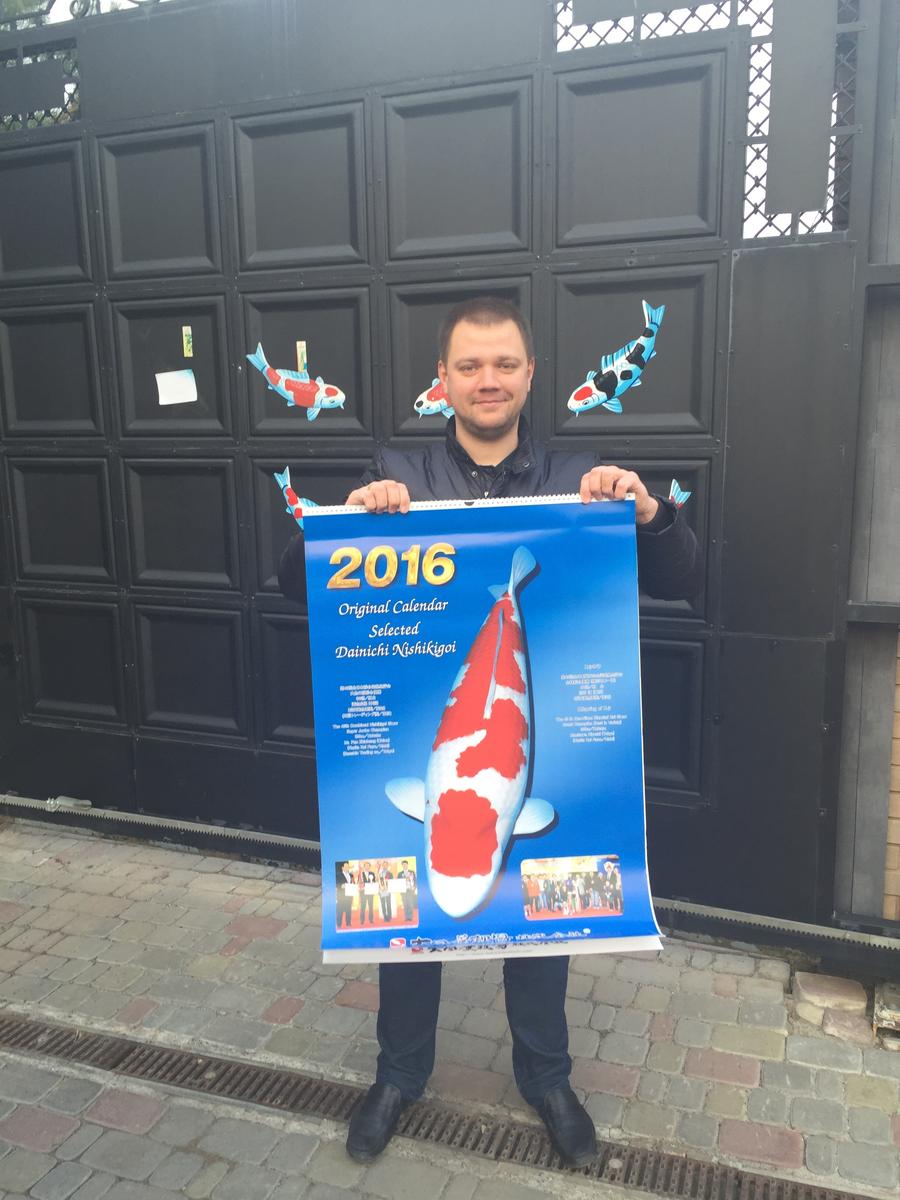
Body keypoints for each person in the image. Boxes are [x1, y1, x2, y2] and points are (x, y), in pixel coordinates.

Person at [278, 296, 701, 1168]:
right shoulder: (395, 470)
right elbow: (297, 583)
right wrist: (351, 517)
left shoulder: (580, 476)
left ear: (530, 373)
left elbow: (679, 575)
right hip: (437, 726)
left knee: (544, 918)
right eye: (469, 366)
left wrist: (649, 513)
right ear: (444, 380)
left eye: (504, 363)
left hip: (534, 725)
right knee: (405, 924)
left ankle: (547, 1078)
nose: (488, 380)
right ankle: (400, 1074)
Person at [336, 862, 355, 929]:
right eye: (346, 867)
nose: (347, 868)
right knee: (340, 910)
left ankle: (348, 923)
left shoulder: (351, 875)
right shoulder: (338, 875)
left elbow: (353, 883)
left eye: (348, 867)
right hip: (341, 896)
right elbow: (336, 884)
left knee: (348, 910)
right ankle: (339, 924)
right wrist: (341, 885)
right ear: (342, 868)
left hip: (349, 895)